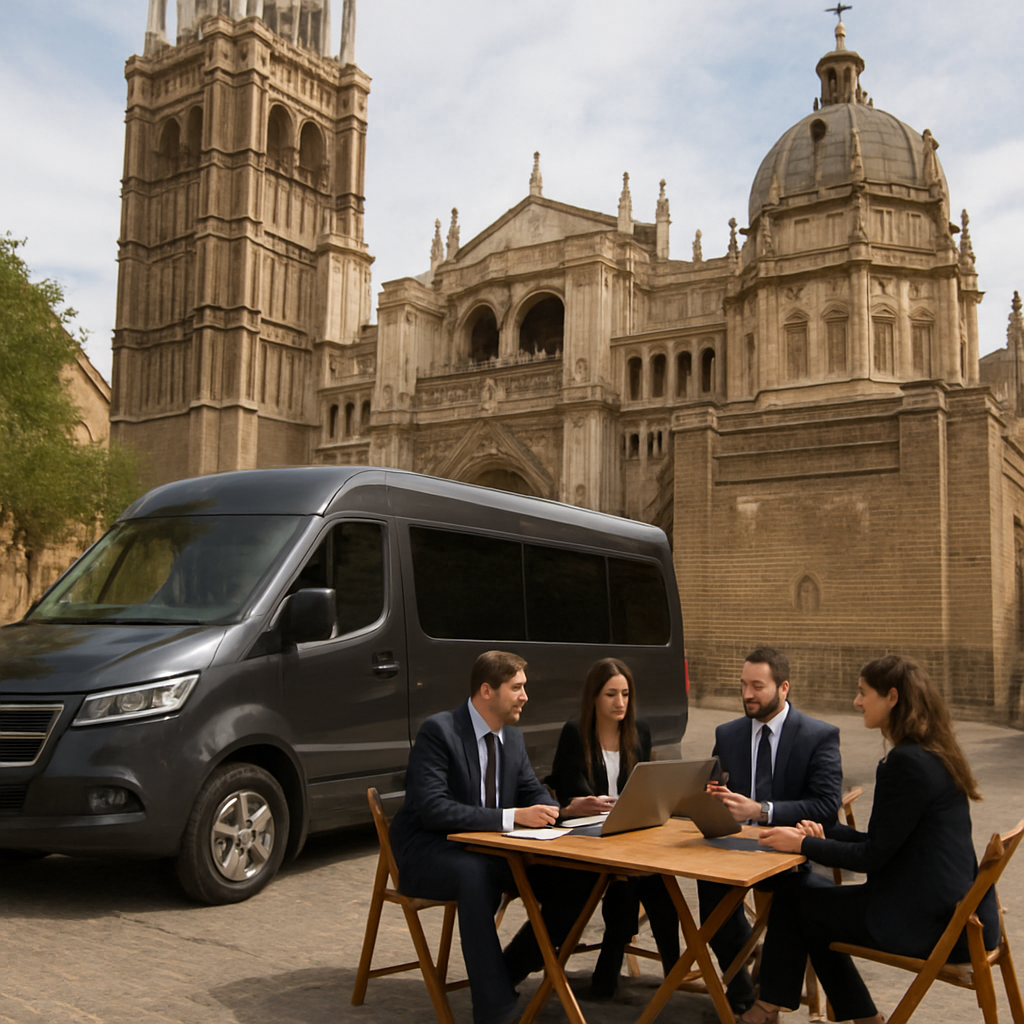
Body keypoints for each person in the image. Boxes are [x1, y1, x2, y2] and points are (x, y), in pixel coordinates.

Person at [742, 655, 1001, 1024]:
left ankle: (768, 1009)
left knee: (797, 901)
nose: (857, 701)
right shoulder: (933, 753)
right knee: (807, 898)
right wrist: (825, 832)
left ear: (891, 698)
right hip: (956, 913)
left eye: (863, 693)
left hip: (931, 924)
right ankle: (855, 1017)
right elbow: (888, 841)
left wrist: (801, 845)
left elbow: (872, 857)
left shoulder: (906, 763)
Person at [389, 650, 591, 1024]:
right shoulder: (440, 731)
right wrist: (514, 817)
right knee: (474, 874)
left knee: (578, 878)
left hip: (494, 852)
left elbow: (532, 793)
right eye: (516, 688)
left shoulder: (512, 740)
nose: (525, 696)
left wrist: (562, 811)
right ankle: (494, 1012)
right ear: (487, 691)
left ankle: (506, 972)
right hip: (431, 850)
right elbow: (435, 810)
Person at [698, 646, 842, 1014]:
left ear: (783, 688)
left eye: (757, 686)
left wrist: (762, 811)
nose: (747, 694)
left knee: (795, 901)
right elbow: (713, 788)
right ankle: (744, 992)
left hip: (790, 852)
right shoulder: (728, 734)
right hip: (733, 851)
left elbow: (827, 807)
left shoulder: (818, 735)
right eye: (744, 684)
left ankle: (767, 999)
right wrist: (708, 797)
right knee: (707, 889)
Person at [546, 657, 681, 997]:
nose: (620, 702)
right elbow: (565, 791)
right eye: (610, 694)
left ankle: (655, 975)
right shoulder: (575, 732)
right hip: (588, 839)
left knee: (657, 888)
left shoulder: (640, 731)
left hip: (631, 835)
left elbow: (645, 788)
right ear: (594, 697)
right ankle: (623, 974)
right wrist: (581, 805)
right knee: (634, 883)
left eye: (625, 694)